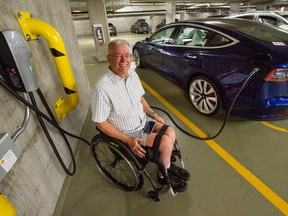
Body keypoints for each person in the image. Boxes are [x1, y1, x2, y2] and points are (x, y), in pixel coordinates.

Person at [91, 39, 190, 192]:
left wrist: (152, 114)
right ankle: (162, 174)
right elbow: (100, 122)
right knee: (165, 142)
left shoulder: (132, 75)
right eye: (118, 56)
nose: (124, 60)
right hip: (130, 133)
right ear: (109, 58)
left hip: (144, 122)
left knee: (171, 132)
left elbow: (140, 99)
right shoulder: (102, 88)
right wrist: (127, 140)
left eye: (127, 55)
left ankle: (166, 165)